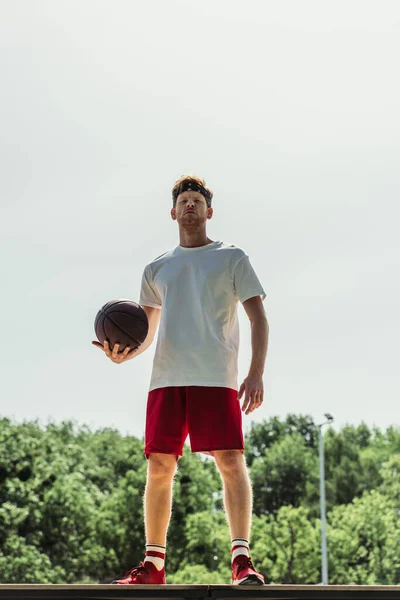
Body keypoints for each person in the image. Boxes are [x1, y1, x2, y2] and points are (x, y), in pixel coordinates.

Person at [92, 174, 269, 585]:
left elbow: (258, 317)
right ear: (173, 213)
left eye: (197, 200)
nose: (190, 206)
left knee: (230, 460)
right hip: (166, 378)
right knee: (159, 467)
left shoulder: (232, 257)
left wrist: (256, 371)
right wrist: (123, 356)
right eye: (184, 201)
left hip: (216, 376)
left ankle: (241, 561)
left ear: (209, 211)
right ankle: (154, 565)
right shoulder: (157, 268)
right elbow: (146, 330)